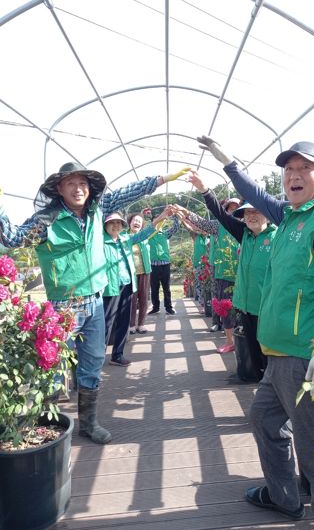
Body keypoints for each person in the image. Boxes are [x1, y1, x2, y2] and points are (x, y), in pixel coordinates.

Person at [198, 135, 314, 529]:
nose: (295, 176)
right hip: (278, 353)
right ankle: (284, 498)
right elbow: (250, 191)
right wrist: (227, 162)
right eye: (288, 170)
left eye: (305, 169)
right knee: (265, 420)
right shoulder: (289, 215)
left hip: (307, 356)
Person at [0, 162, 189, 444]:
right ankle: (40, 425)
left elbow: (127, 193)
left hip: (96, 302)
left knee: (93, 361)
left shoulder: (96, 212)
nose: (78, 189)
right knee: (52, 365)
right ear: (59, 189)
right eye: (71, 184)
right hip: (64, 305)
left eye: (83, 184)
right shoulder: (47, 221)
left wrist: (161, 179)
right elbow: (13, 238)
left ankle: (89, 423)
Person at [176, 169, 277, 381]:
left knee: (269, 352)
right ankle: (252, 377)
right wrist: (204, 189)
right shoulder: (244, 235)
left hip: (267, 307)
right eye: (246, 213)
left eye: (255, 211)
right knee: (248, 347)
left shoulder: (278, 237)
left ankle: (269, 386)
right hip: (244, 303)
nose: (250, 216)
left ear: (268, 213)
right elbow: (220, 215)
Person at [171, 196, 240, 353]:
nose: (234, 211)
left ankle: (243, 342)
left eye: (237, 208)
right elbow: (202, 223)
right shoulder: (218, 226)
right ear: (225, 211)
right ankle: (230, 341)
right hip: (223, 272)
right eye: (230, 208)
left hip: (242, 273)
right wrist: (185, 212)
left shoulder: (244, 225)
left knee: (243, 308)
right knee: (225, 305)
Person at [103, 209, 171, 366]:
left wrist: (161, 216)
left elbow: (145, 233)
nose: (115, 226)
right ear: (105, 225)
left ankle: (117, 355)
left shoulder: (126, 238)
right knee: (107, 323)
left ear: (122, 225)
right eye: (111, 223)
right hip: (110, 287)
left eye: (118, 223)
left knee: (124, 321)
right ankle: (98, 358)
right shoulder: (100, 241)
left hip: (127, 284)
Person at [147, 209, 180, 315]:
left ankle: (168, 307)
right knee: (154, 288)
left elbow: (176, 227)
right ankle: (155, 307)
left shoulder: (165, 234)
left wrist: (174, 216)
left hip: (165, 264)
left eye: (161, 220)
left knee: (166, 287)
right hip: (153, 265)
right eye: (157, 220)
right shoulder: (148, 235)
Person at [127, 211, 152, 334]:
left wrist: (164, 217)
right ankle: (131, 325)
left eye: (139, 221)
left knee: (143, 298)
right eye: (134, 220)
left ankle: (141, 324)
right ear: (129, 223)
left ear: (142, 225)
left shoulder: (145, 238)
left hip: (145, 272)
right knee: (132, 299)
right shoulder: (125, 237)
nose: (137, 223)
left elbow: (156, 228)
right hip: (130, 273)